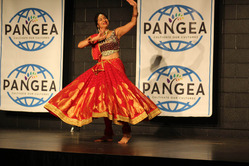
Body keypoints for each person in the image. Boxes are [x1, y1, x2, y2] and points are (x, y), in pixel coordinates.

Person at [44, 0, 161, 144]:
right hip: (102, 68)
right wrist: (95, 39)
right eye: (100, 19)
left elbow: (132, 23)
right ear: (97, 25)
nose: (103, 20)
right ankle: (108, 133)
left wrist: (135, 8)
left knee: (119, 98)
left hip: (115, 67)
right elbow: (80, 45)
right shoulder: (95, 38)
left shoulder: (115, 33)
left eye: (104, 18)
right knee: (105, 101)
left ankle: (126, 131)